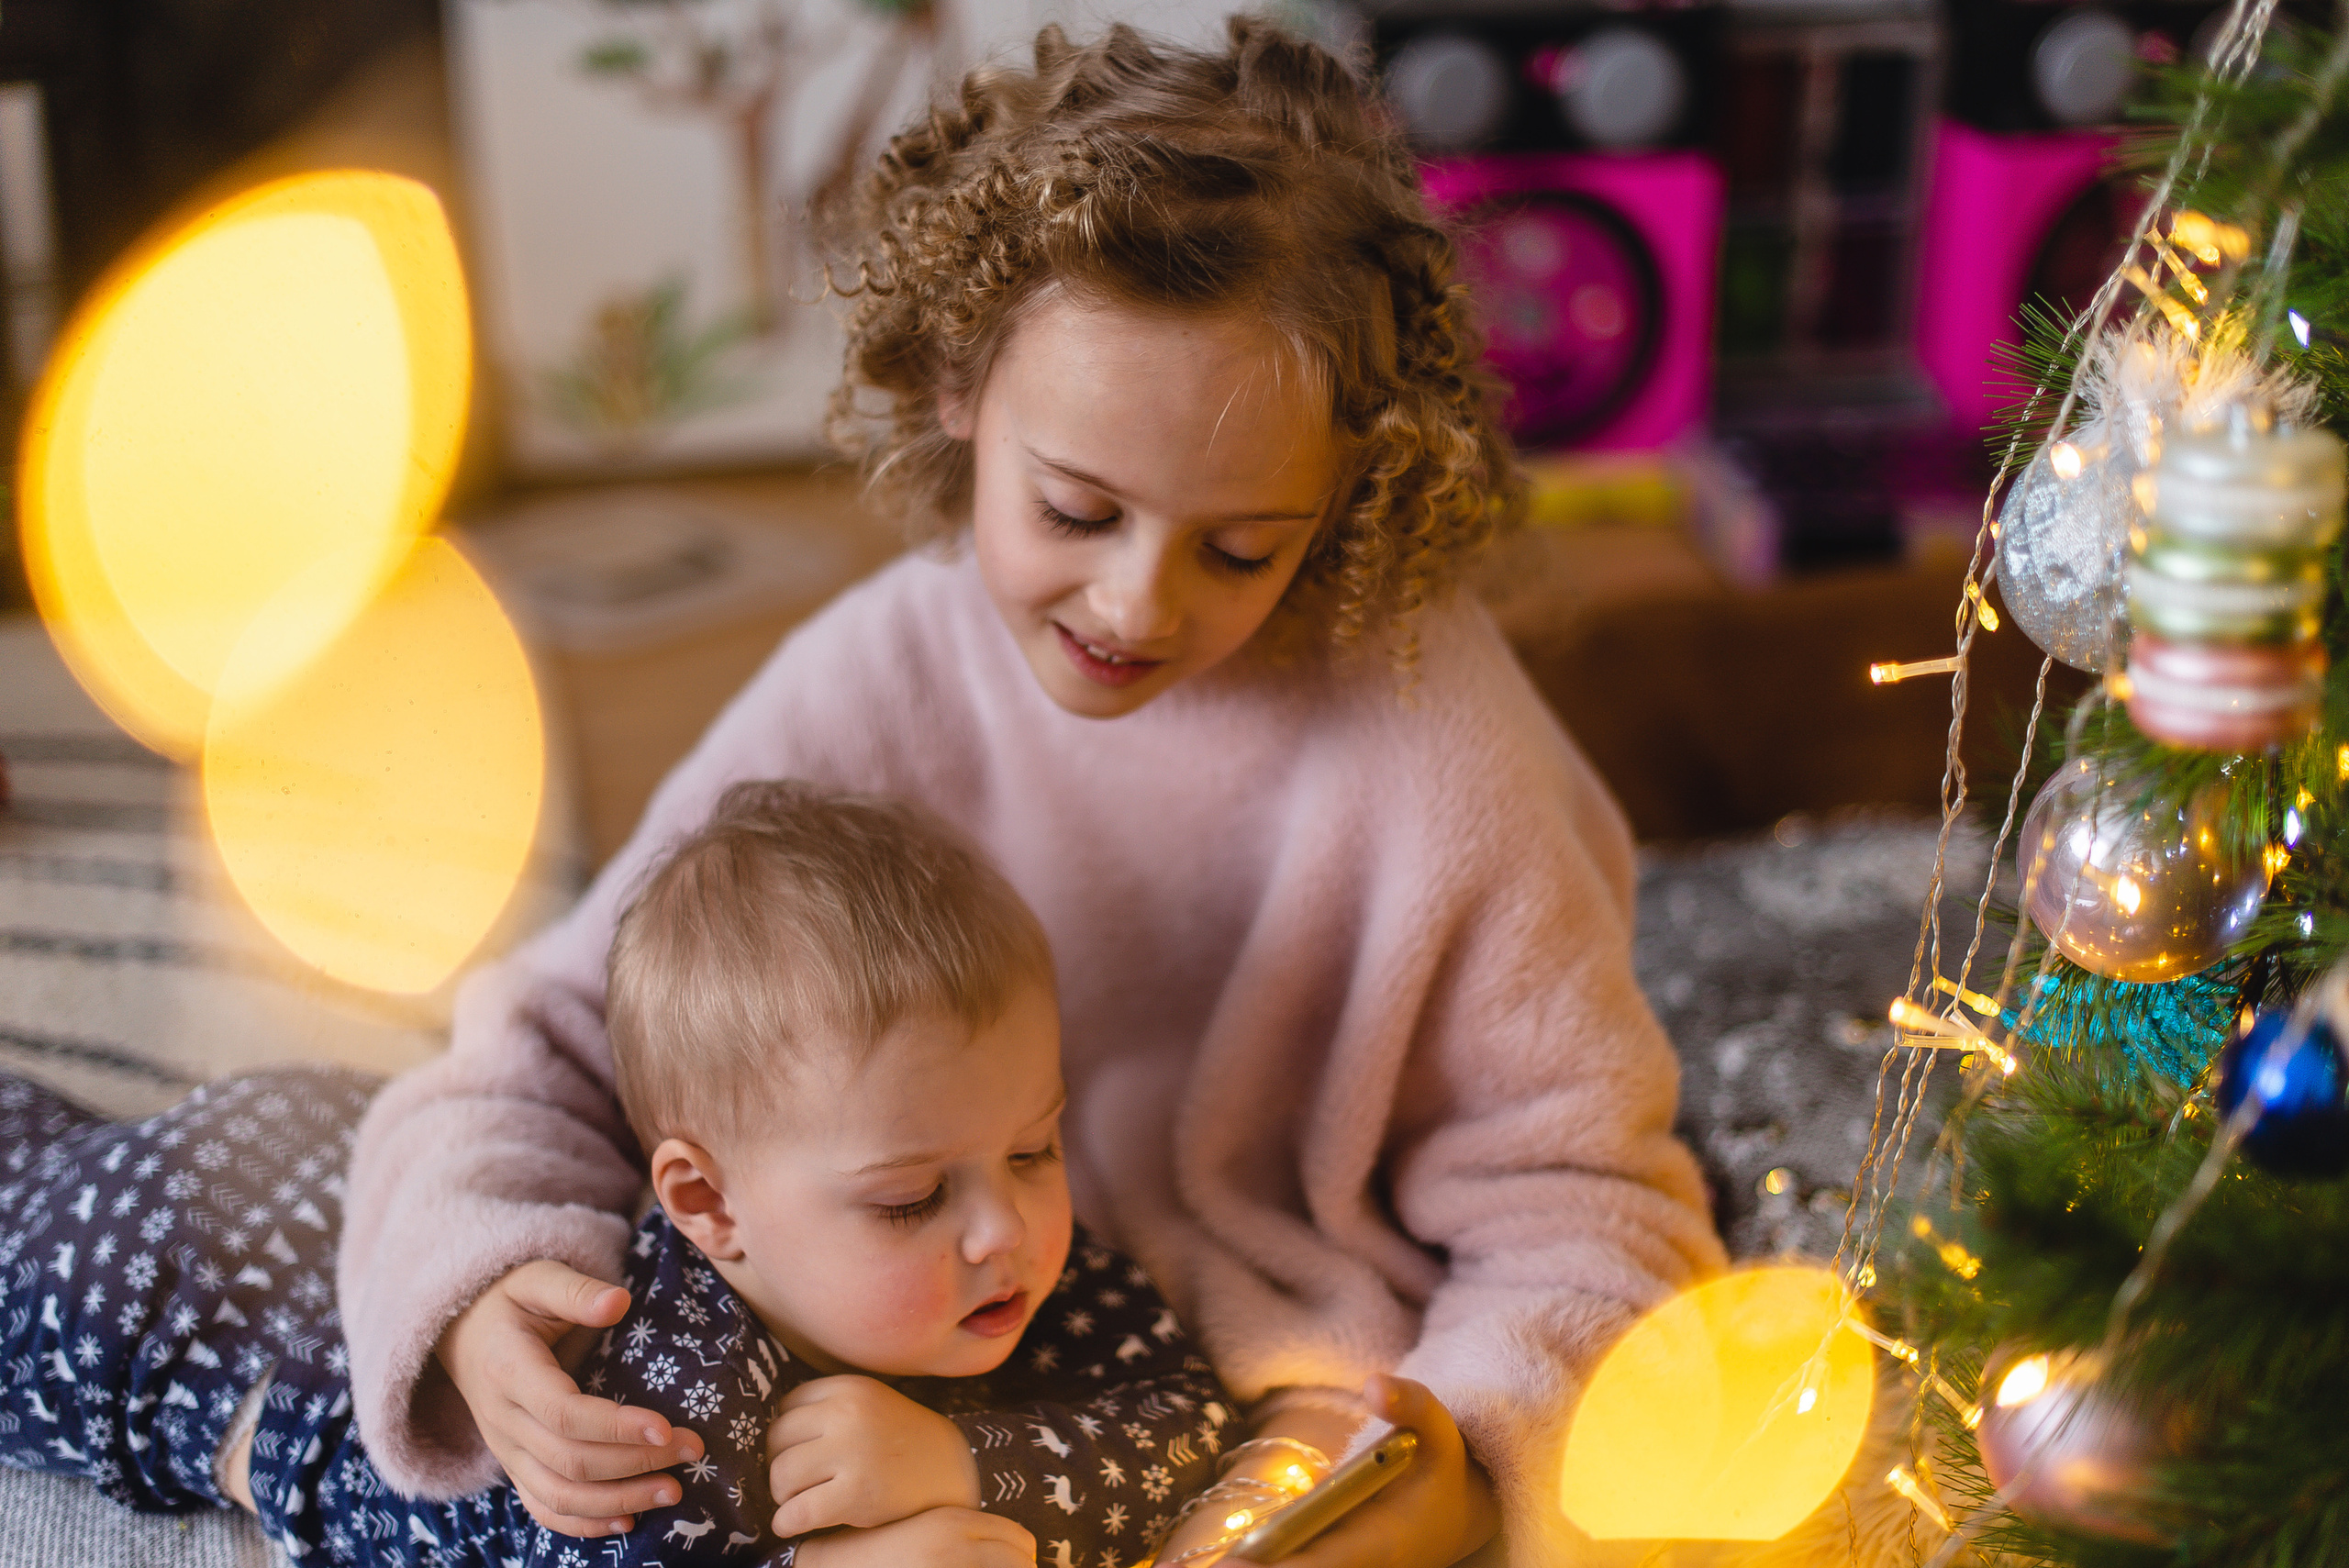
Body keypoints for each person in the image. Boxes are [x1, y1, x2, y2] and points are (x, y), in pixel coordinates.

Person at [344, 19, 1730, 1567]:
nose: (1136, 603)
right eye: (1077, 508)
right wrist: (476, 1293)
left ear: (1350, 484)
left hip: (1281, 1400)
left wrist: (1469, 1455)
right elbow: (547, 1043)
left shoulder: (1434, 739)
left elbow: (1590, 1203)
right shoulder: (880, 671)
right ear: (957, 386)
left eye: (1243, 548)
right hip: (882, 1358)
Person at [0, 783, 1240, 1567]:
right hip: (173, 1294)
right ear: (709, 1205)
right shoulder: (666, 1378)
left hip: (320, 1158)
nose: (1006, 1227)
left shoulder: (1029, 1265)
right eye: (911, 1195)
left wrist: (970, 1467)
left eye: (1034, 1147)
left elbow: (1188, 1424)